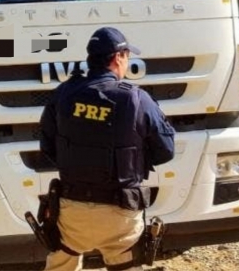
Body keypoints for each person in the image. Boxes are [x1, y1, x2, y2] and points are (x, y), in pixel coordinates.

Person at [40, 26, 175, 271]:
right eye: (127, 57)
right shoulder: (137, 99)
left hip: (72, 212)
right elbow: (166, 150)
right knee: (125, 261)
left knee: (63, 259)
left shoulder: (63, 94)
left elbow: (48, 147)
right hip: (121, 213)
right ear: (118, 57)